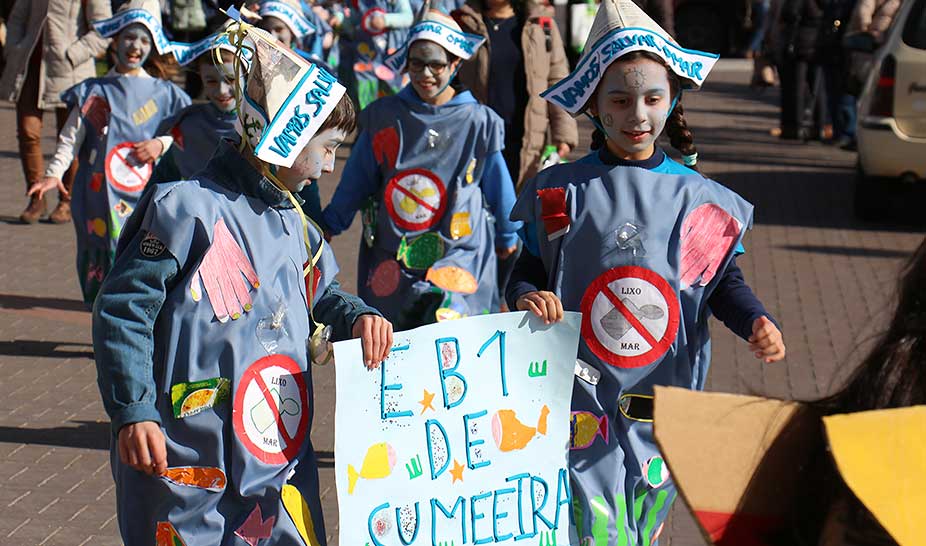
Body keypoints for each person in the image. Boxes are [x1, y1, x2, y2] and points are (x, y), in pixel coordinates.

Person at [91, 15, 393, 545]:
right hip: (187, 456)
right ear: (286, 134)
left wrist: (358, 316)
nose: (328, 168)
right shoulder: (183, 209)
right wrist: (133, 408)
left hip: (277, 458)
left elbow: (324, 293)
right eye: (326, 148)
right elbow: (123, 310)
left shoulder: (296, 223)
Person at [508, 0, 786, 543]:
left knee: (642, 524)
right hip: (580, 396)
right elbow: (529, 268)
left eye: (652, 98)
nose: (638, 115)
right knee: (598, 527)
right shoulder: (559, 189)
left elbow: (722, 284)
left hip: (661, 397)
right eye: (620, 99)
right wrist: (525, 296)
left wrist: (755, 320)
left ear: (673, 99)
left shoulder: (699, 200)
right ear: (593, 107)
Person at [322, 8, 520, 329]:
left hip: (458, 253)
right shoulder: (383, 116)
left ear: (455, 64)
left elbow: (498, 184)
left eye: (436, 64)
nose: (425, 74)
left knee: (452, 341)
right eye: (417, 63)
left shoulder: (479, 122)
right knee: (395, 344)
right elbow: (357, 177)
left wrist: (508, 234)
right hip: (393, 253)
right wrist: (332, 221)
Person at [28, 0, 191, 304]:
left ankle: (127, 319)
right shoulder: (95, 91)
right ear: (115, 39)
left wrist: (160, 144)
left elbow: (184, 133)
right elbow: (70, 137)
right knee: (98, 260)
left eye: (145, 39)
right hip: (98, 196)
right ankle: (102, 319)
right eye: (129, 36)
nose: (136, 46)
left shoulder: (165, 94)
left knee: (136, 260)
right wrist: (53, 173)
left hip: (145, 197)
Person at [0, 0, 112, 224]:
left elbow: (103, 29)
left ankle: (66, 200)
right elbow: (17, 18)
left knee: (70, 137)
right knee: (27, 132)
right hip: (30, 67)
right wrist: (14, 47)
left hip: (70, 72)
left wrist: (73, 54)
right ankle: (36, 197)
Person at [149, 36, 240, 184]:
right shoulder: (190, 125)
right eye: (211, 81)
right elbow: (163, 178)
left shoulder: (260, 127)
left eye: (231, 79)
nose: (222, 90)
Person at [341, 0, 414, 108]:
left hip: (391, 54)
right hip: (366, 54)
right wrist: (341, 20)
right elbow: (354, 18)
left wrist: (385, 20)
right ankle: (368, 115)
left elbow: (408, 17)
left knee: (394, 88)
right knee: (366, 87)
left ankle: (398, 114)